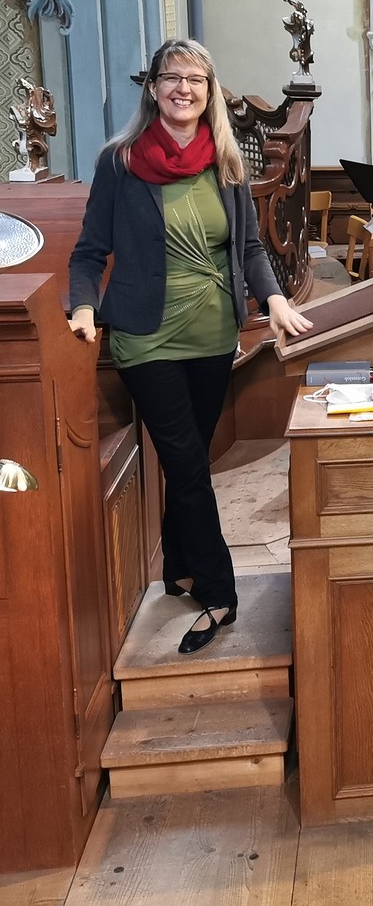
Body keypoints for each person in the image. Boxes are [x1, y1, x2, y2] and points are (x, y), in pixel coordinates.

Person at [68, 38, 312, 655]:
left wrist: (274, 298)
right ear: (153, 89)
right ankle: (219, 591)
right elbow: (89, 251)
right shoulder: (119, 163)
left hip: (212, 334)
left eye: (196, 79)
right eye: (172, 77)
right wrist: (83, 305)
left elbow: (249, 247)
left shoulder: (226, 162)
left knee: (191, 457)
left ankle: (178, 561)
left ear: (209, 92)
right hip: (146, 337)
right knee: (185, 462)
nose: (184, 88)